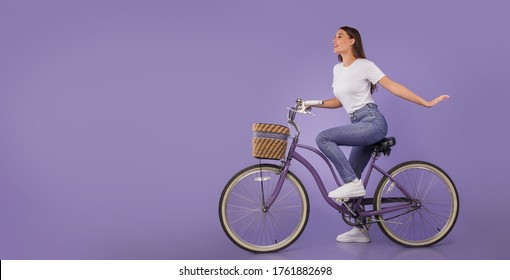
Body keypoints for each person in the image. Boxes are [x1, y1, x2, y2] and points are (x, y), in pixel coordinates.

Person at [303, 26, 449, 243]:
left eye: (340, 36)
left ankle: (353, 185)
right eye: (334, 36)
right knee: (350, 176)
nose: (334, 39)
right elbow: (339, 102)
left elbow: (394, 87)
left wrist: (425, 103)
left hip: (372, 122)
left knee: (324, 138)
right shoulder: (337, 69)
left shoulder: (364, 66)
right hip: (358, 123)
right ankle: (360, 229)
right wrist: (312, 103)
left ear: (352, 41)